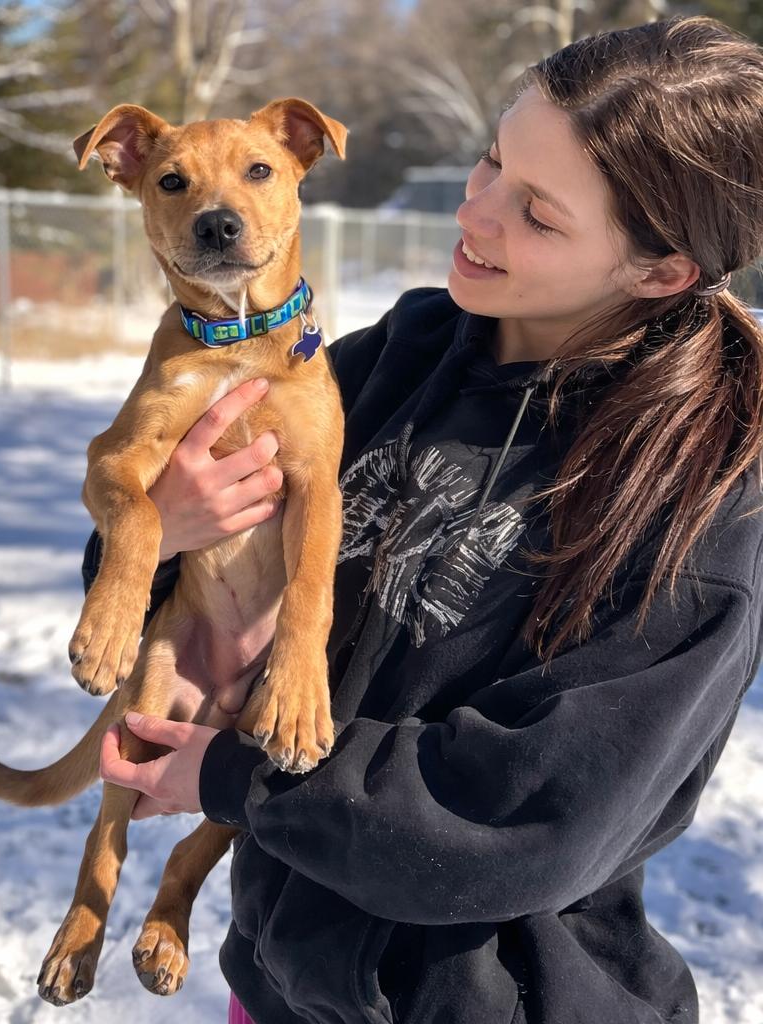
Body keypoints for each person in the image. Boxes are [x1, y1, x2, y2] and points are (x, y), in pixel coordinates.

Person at [93, 16, 763, 1024]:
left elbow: (528, 815)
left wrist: (239, 779)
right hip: (280, 983)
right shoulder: (395, 354)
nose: (473, 209)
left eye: (535, 212)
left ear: (660, 270)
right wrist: (159, 531)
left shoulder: (695, 498)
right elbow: (187, 563)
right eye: (491, 160)